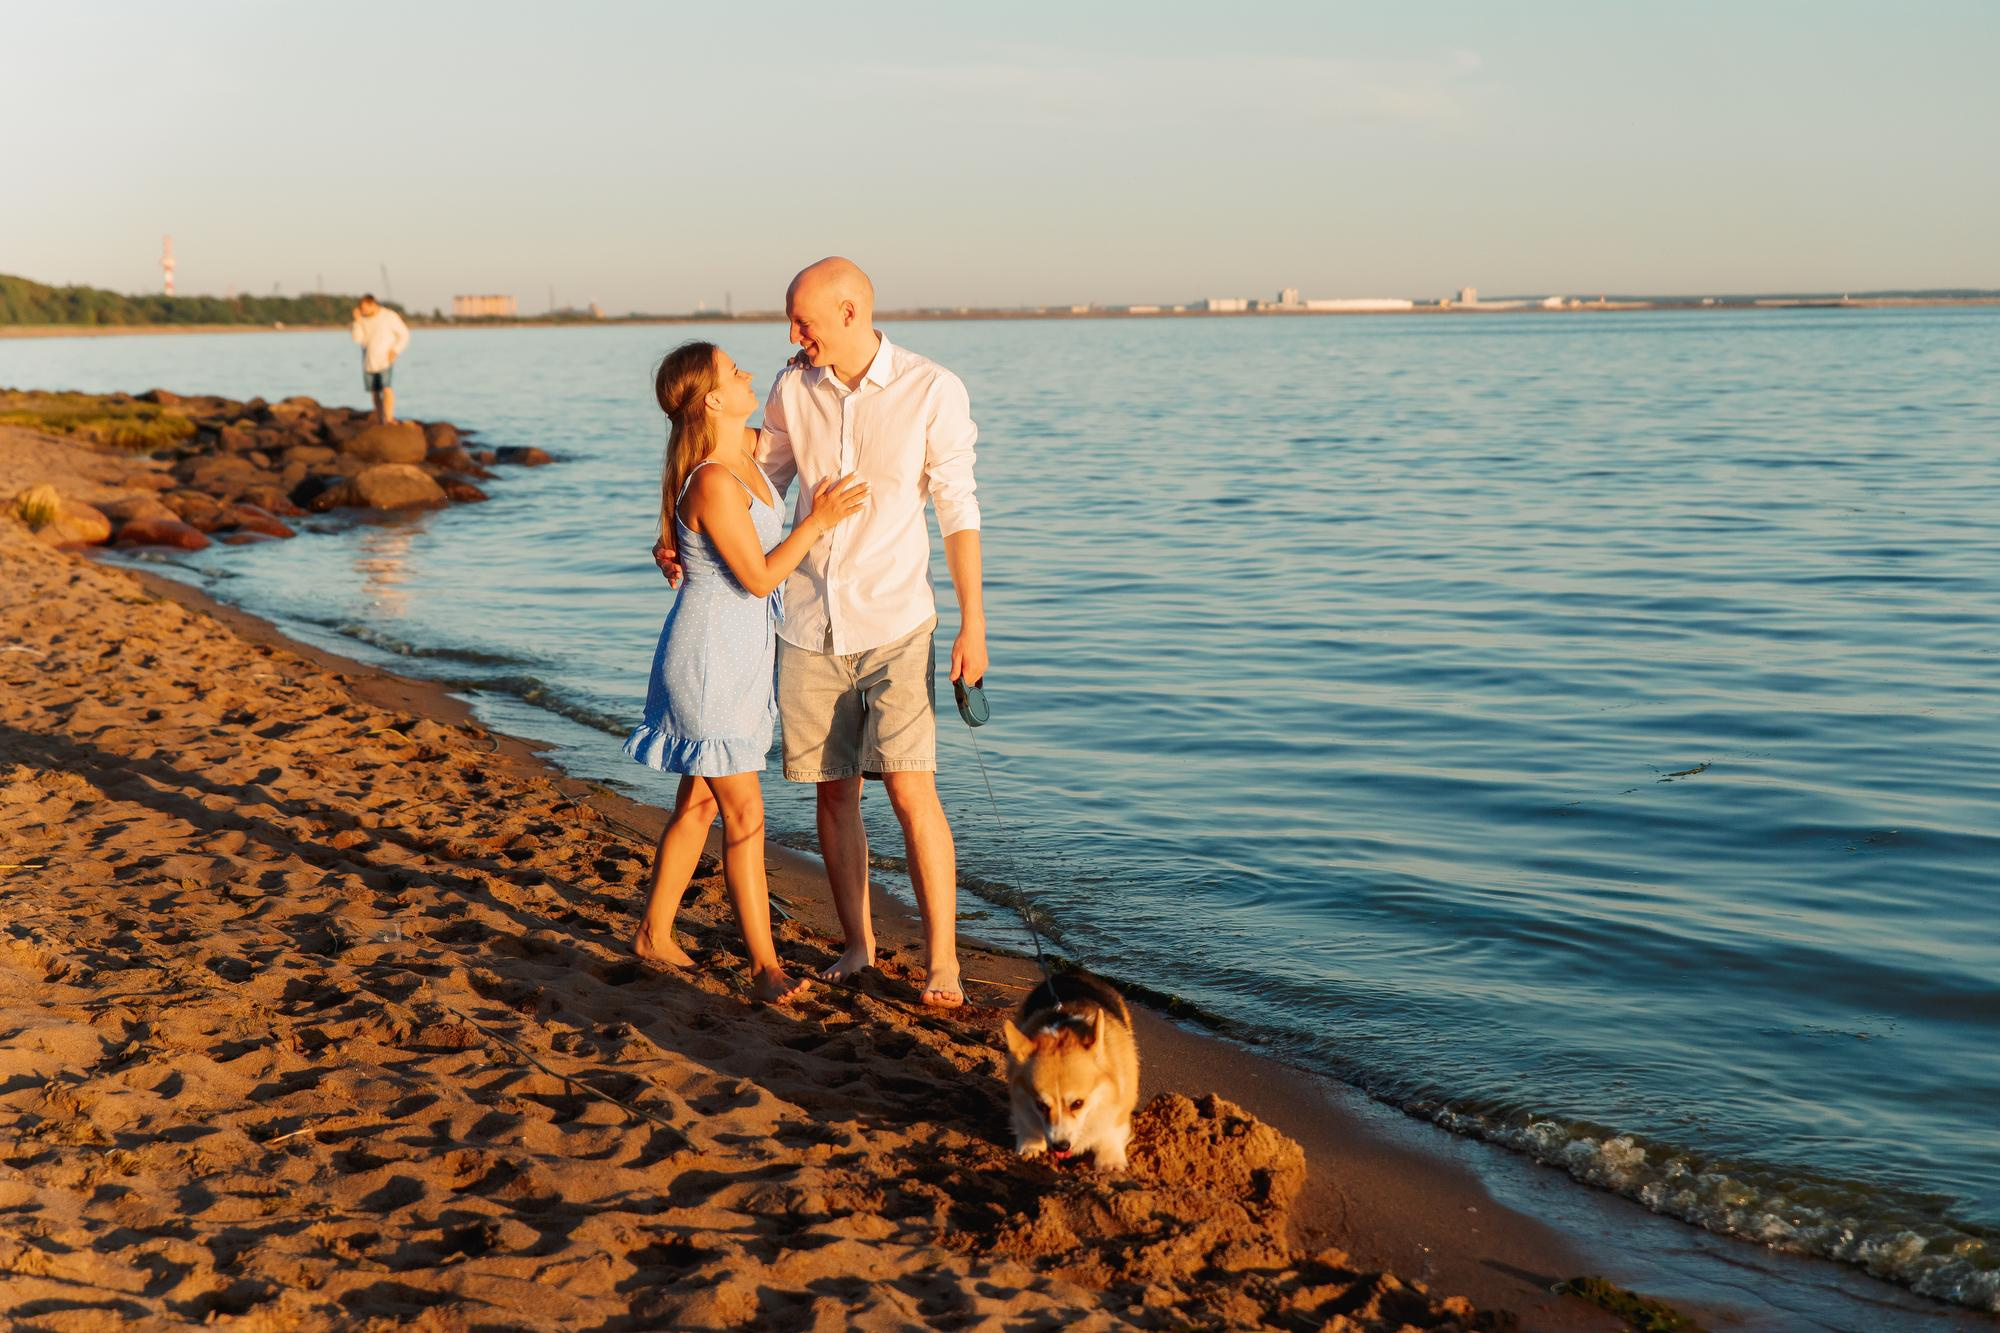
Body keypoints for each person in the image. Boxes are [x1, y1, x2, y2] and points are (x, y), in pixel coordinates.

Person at [654, 257, 987, 1008]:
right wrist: (681, 530)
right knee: (833, 796)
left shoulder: (930, 389)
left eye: (803, 321)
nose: (792, 334)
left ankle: (943, 963)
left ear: (849, 313)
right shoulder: (788, 387)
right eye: (790, 321)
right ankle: (859, 944)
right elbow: (743, 474)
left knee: (910, 788)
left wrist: (974, 620)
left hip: (896, 617)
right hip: (803, 624)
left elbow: (958, 509)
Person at [625, 340, 868, 1004]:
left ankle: (653, 932)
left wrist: (812, 367)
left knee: (700, 801)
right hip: (709, 659)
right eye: (734, 372)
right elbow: (759, 576)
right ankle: (765, 968)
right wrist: (818, 522)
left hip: (739, 656)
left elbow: (807, 424)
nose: (748, 374)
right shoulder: (710, 477)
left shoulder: (745, 454)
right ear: (711, 398)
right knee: (745, 816)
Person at [349, 295, 410, 424]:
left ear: (373, 304)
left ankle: (389, 418)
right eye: (361, 308)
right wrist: (357, 321)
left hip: (385, 359)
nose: (363, 311)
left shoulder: (389, 316)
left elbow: (404, 334)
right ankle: (380, 419)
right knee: (375, 392)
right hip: (368, 361)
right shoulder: (362, 320)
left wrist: (395, 350)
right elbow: (357, 339)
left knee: (386, 388)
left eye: (364, 308)